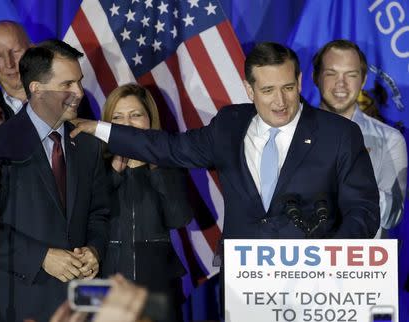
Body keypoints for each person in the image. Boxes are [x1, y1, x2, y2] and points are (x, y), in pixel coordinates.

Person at [71, 42, 380, 240]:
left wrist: (332, 257)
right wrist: (100, 128)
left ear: (299, 81)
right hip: (243, 287)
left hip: (312, 284)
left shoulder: (338, 134)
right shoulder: (230, 125)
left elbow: (363, 210)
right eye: (268, 90)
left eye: (287, 87)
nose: (280, 102)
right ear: (249, 89)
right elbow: (166, 148)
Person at [0, 39, 109, 322]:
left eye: (79, 81)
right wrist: (41, 257)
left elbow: (99, 213)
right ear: (37, 89)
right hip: (17, 304)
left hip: (82, 304)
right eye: (67, 85)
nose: (78, 92)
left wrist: (94, 249)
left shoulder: (87, 145)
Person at [0, 20, 95, 190]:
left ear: (31, 52)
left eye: (15, 52)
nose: (9, 64)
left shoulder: (70, 99)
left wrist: (6, 128)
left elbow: (90, 162)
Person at [101, 83, 192, 322]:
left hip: (157, 284)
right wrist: (114, 174)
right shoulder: (95, 165)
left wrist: (155, 165)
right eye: (118, 117)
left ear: (150, 121)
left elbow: (179, 218)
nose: (127, 124)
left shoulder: (167, 164)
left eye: (135, 115)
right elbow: (87, 216)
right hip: (109, 283)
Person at [312, 39, 407, 238]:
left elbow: (392, 215)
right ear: (316, 77)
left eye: (351, 75)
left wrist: (349, 182)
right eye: (331, 73)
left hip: (361, 264)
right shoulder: (289, 134)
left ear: (363, 81)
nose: (341, 84)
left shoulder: (390, 139)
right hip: (301, 260)